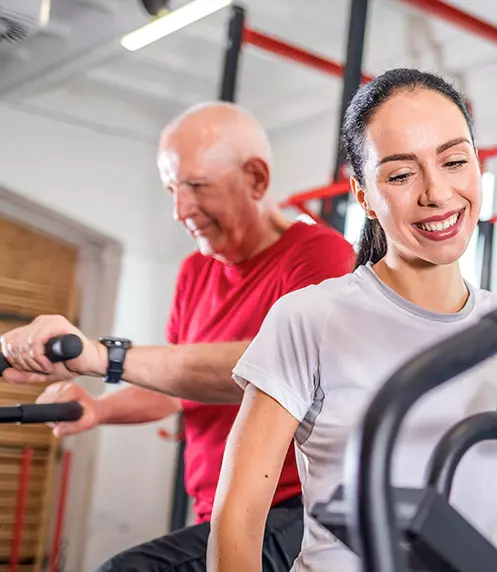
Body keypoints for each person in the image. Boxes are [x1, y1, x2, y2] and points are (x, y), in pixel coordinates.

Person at [206, 68, 497, 572]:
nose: (437, 193)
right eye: (400, 175)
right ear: (365, 196)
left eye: (455, 161)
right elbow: (238, 518)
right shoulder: (309, 317)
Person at [0, 102, 357, 571]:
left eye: (196, 186)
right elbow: (174, 390)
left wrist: (101, 356)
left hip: (302, 511)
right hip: (225, 511)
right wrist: (99, 408)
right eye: (172, 190)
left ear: (256, 179)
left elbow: (275, 369)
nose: (180, 210)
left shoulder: (321, 255)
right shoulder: (195, 273)